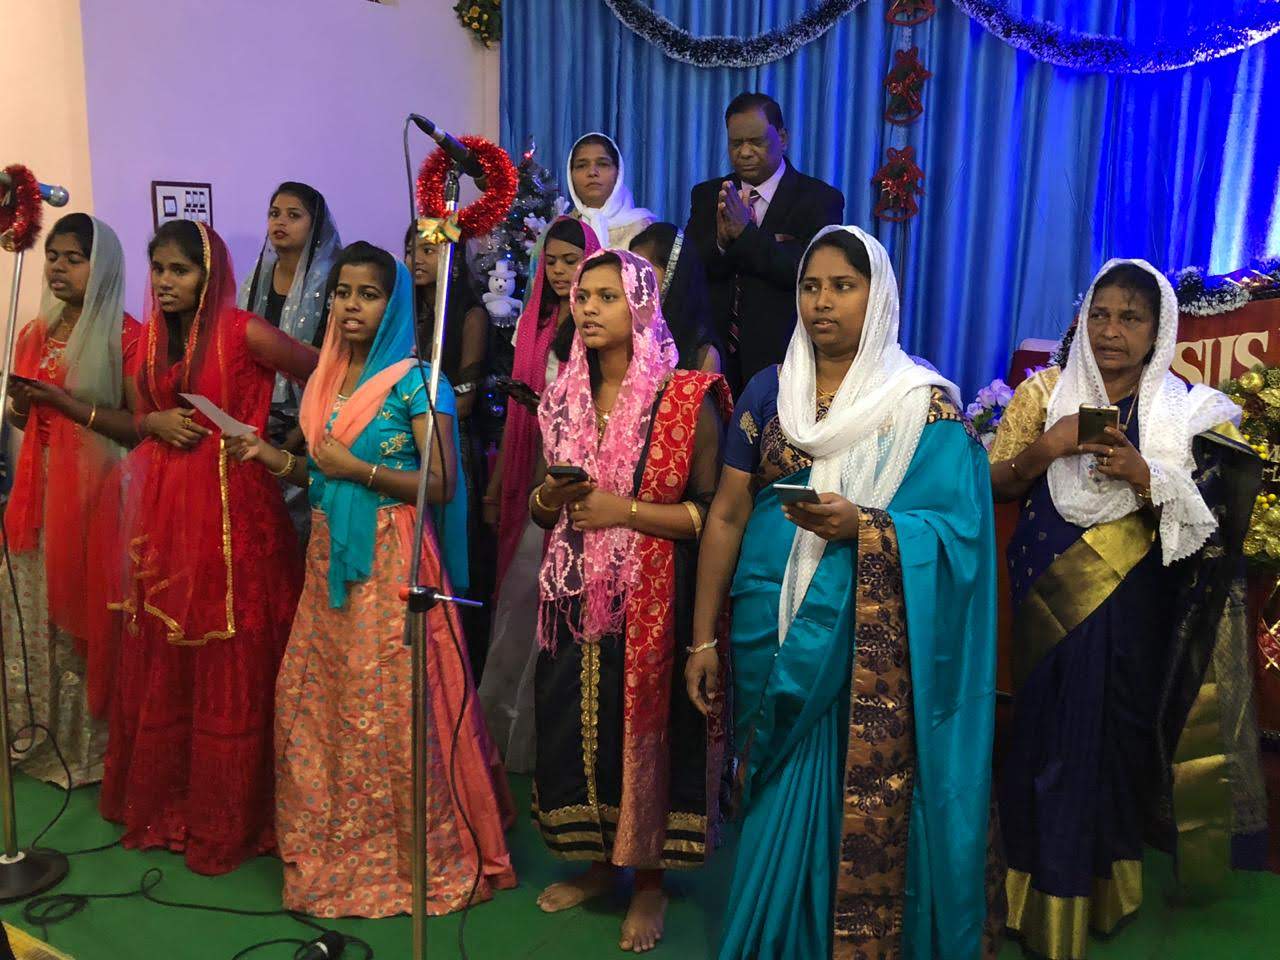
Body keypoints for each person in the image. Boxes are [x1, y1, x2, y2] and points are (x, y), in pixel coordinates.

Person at [689, 226, 1000, 959]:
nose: (822, 302)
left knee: (856, 790)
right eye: (810, 286)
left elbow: (960, 534)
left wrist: (867, 528)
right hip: (766, 619)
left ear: (878, 296)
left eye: (842, 286)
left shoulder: (921, 405)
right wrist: (701, 638)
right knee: (773, 782)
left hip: (863, 642)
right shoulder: (770, 391)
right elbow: (727, 515)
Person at [988, 261, 1267, 959]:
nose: (1112, 331)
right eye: (1101, 314)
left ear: (1158, 330)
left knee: (1114, 734)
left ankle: (1101, 891)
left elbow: (1214, 518)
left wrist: (1148, 478)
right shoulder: (1043, 393)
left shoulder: (1185, 411)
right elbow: (993, 482)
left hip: (1134, 602)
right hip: (1045, 588)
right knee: (1045, 731)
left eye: (1131, 318)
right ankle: (1030, 891)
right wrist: (1049, 448)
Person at [227, 241, 514, 916]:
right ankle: (338, 839)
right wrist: (269, 455)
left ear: (394, 305)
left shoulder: (417, 382)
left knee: (392, 704)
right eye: (342, 293)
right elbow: (320, 474)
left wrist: (359, 471)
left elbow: (441, 484)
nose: (351, 306)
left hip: (393, 560)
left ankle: (410, 852)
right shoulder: (326, 376)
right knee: (322, 703)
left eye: (368, 294)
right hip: (329, 559)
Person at [100, 220, 319, 875]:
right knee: (169, 649)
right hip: (165, 514)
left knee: (234, 648)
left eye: (181, 270)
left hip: (233, 510)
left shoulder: (241, 330)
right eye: (159, 269)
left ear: (208, 273)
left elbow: (322, 370)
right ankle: (173, 803)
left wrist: (290, 445)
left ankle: (237, 812)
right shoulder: (146, 341)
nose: (167, 282)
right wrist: (151, 422)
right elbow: (134, 417)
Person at [529, 248, 730, 954]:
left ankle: (648, 881)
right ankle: (597, 865)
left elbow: (710, 514)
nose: (588, 308)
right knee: (578, 728)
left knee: (645, 732)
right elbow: (540, 510)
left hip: (656, 598)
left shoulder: (686, 398)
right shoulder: (563, 396)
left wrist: (623, 511)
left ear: (641, 306)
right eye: (582, 296)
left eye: (606, 296)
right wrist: (551, 496)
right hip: (572, 593)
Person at [1, 214, 139, 785]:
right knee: (34, 611)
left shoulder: (128, 339)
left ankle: (87, 749)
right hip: (38, 492)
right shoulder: (36, 332)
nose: (58, 268)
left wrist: (64, 404)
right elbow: (22, 419)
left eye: (73, 258)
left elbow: (138, 428)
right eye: (53, 256)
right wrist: (21, 402)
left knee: (83, 614)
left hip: (96, 495)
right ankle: (37, 737)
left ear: (100, 266)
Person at [479, 217, 600, 773]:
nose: (559, 270)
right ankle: (508, 731)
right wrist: (498, 484)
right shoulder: (533, 322)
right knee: (520, 598)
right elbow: (515, 420)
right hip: (532, 468)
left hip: (578, 477)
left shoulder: (596, 326)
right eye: (551, 261)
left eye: (571, 260)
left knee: (559, 603)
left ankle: (553, 738)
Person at [684, 92, 844, 393]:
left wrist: (745, 234)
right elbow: (690, 268)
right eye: (736, 143)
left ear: (782, 138)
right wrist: (721, 241)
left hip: (782, 358)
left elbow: (803, 273)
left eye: (756, 142)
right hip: (713, 357)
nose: (745, 152)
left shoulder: (820, 200)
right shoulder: (707, 195)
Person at [239, 182, 341, 545]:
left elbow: (334, 360)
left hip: (316, 414)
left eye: (293, 215)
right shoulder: (257, 276)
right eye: (274, 214)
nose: (280, 222)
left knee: (303, 526)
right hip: (260, 415)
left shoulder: (333, 279)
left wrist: (298, 433)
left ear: (315, 225)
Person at [629, 221, 722, 373]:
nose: (634, 281)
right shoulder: (621, 332)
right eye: (630, 271)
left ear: (675, 276)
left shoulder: (703, 356)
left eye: (644, 270)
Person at [566, 133, 656, 250]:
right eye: (582, 165)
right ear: (570, 174)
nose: (592, 172)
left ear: (618, 173)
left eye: (603, 164)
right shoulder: (560, 229)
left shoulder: (645, 229)